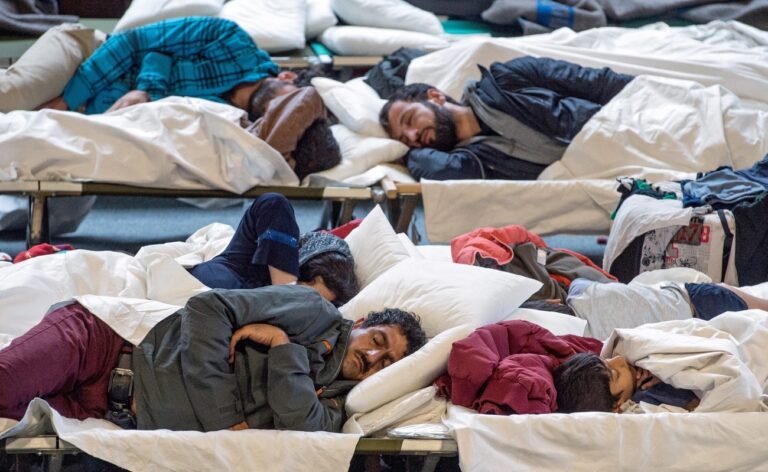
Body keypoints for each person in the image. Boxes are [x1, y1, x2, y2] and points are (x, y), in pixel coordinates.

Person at [0, 285, 427, 432]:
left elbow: (302, 424)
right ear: (363, 321)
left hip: (101, 409)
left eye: (387, 361)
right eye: (377, 339)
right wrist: (224, 417)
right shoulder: (315, 314)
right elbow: (207, 307)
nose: (372, 356)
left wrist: (283, 348)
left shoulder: (338, 405)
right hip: (103, 344)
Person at [379, 56, 634, 181]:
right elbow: (440, 169)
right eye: (405, 140)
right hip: (613, 171)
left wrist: (650, 95)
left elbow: (596, 83)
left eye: (410, 119)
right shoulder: (470, 160)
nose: (413, 136)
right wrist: (406, 153)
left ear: (435, 96)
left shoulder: (507, 78)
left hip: (626, 128)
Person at [188, 193, 359, 306]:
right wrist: (286, 289)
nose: (301, 304)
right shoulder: (248, 262)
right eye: (304, 293)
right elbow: (273, 203)